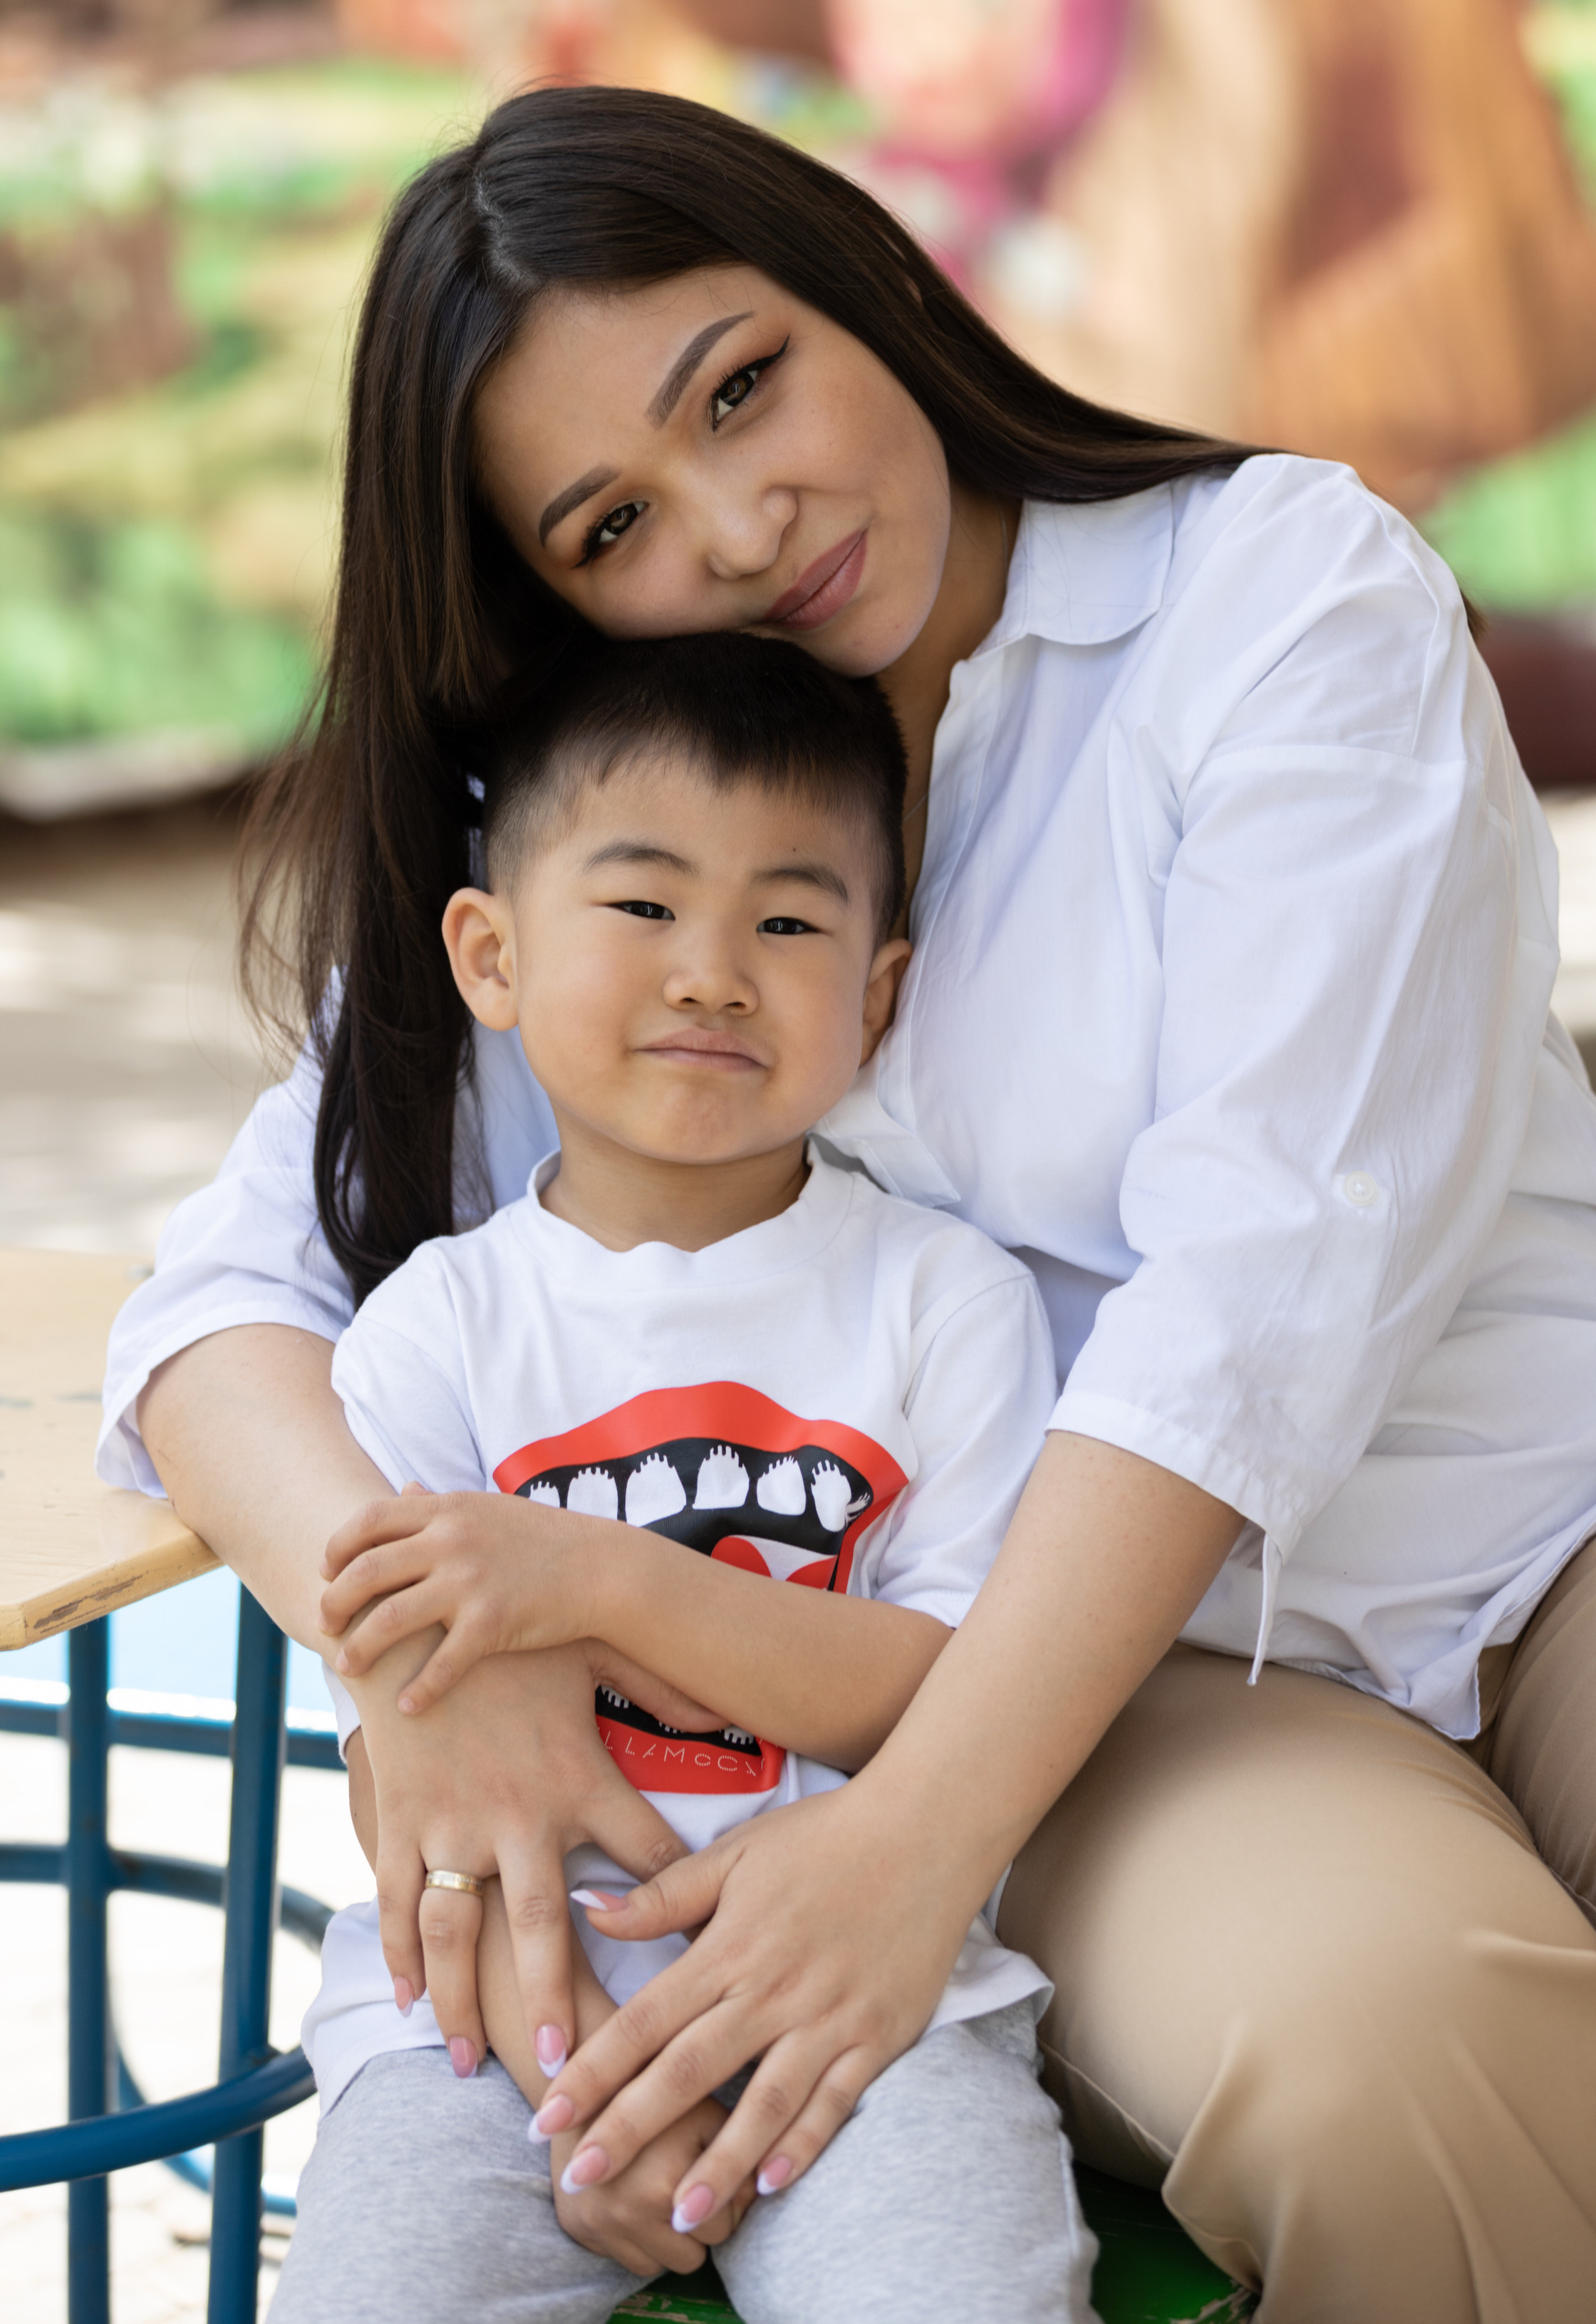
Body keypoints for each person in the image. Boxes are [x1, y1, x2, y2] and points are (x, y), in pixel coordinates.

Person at [102, 86, 1596, 2324]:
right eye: (615, 521)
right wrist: (427, 1667)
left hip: (1589, 1507)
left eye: (744, 387)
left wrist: (911, 1852)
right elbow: (224, 1313)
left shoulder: (1276, 593)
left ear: (871, 285)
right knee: (1393, 2055)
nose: (740, 526)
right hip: (1099, 1677)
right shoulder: (616, 842)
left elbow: (1262, 1283)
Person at [272, 629, 1092, 2320]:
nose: (712, 973)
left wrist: (597, 1580)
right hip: (490, 2033)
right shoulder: (431, 1335)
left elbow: (935, 1701)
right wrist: (579, 2077)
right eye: (643, 905)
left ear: (875, 996)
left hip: (864, 2011)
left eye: (787, 924)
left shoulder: (945, 1304)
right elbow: (396, 1769)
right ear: (491, 955)